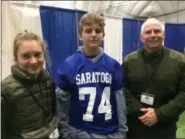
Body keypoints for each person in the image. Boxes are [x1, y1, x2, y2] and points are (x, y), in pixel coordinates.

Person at [56, 12, 128, 139]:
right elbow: (62, 106)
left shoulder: (113, 65)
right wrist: (65, 133)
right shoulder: (69, 65)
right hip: (79, 132)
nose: (93, 34)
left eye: (98, 31)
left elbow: (120, 102)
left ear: (103, 35)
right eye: (88, 31)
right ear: (80, 35)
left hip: (109, 132)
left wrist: (122, 131)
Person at [122, 17, 185, 138]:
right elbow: (122, 89)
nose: (153, 35)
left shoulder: (179, 61)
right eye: (148, 32)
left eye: (157, 31)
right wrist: (141, 112)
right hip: (135, 126)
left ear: (164, 35)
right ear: (141, 37)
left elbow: (183, 93)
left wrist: (159, 114)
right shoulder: (129, 60)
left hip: (165, 127)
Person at [1, 31, 60, 139]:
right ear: (16, 58)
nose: (33, 61)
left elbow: (52, 116)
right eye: (25, 56)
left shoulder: (48, 80)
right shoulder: (5, 90)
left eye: (37, 54)